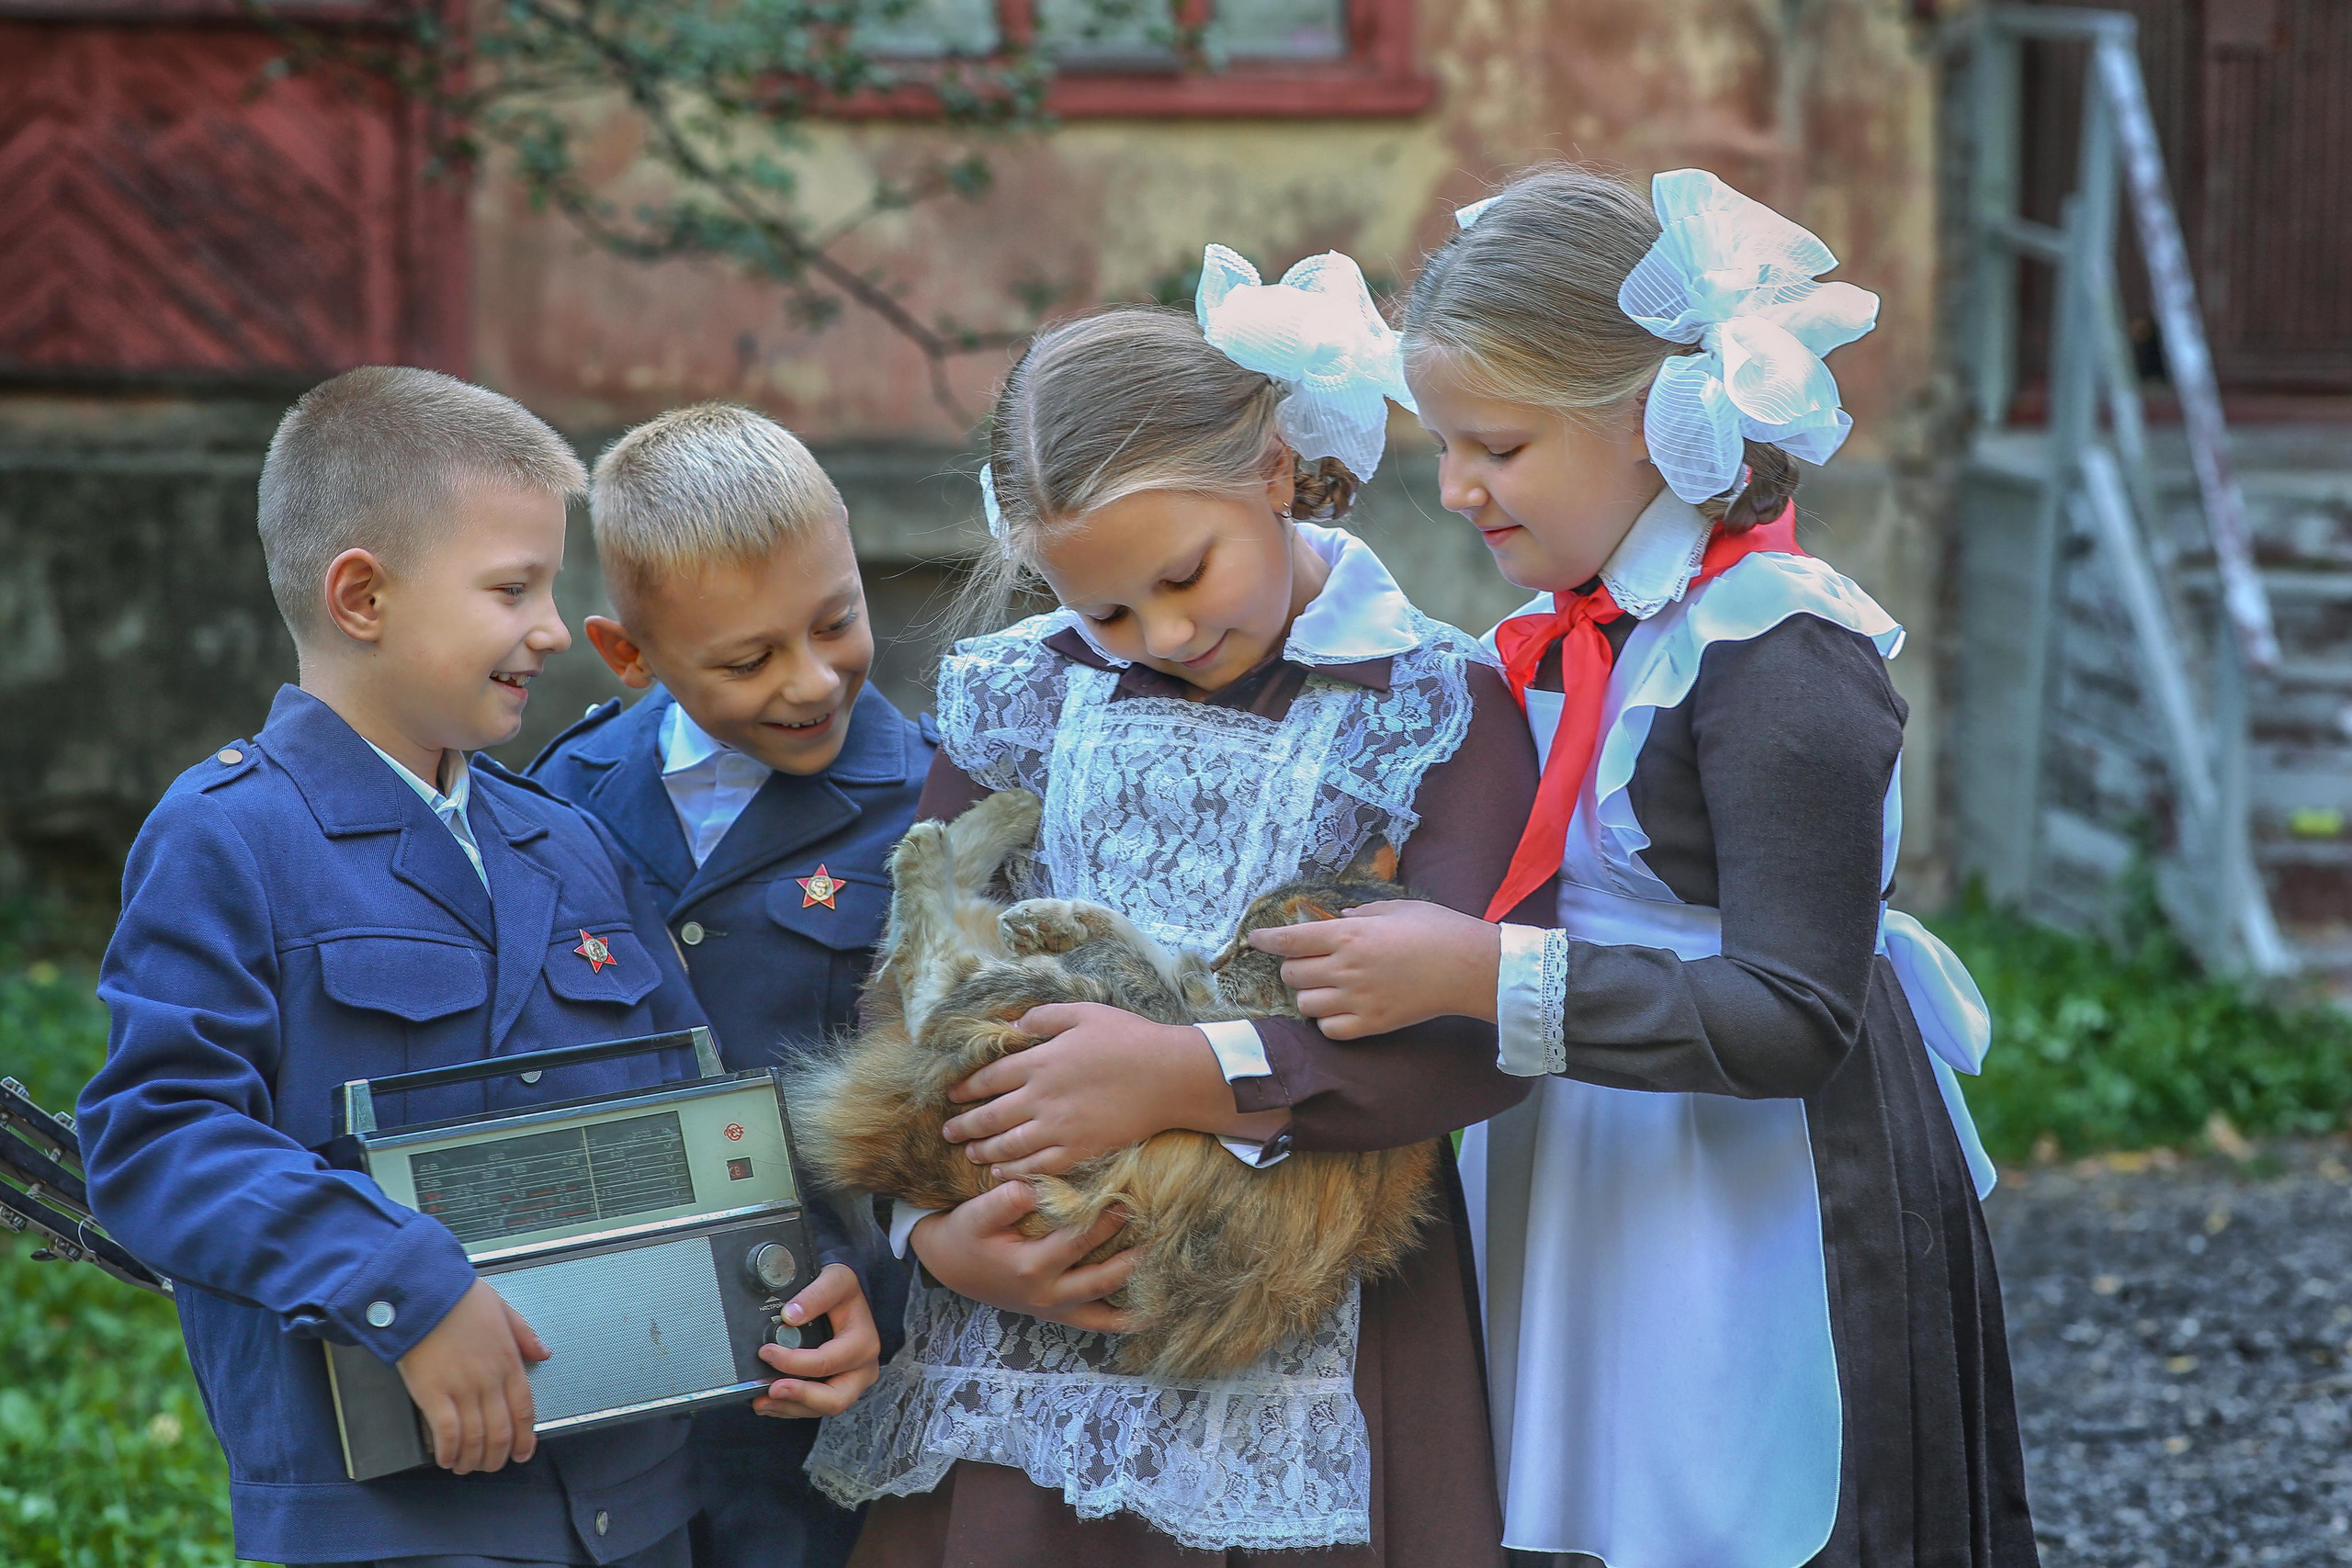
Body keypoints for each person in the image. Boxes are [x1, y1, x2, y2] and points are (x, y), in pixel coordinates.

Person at [1249, 166, 2038, 1567]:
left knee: (1731, 1506)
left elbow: (1796, 1011)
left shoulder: (1777, 658)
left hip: (1751, 1184)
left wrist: (1485, 972)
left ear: (1652, 421)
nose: (1454, 486)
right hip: (1577, 1157)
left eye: (1495, 442)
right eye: (1441, 442)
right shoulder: (1565, 633)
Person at [804, 248, 1546, 1567]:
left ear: (1274, 472)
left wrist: (1185, 1074)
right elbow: (909, 989)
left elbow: (1473, 1035)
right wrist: (935, 1235)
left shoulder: (1436, 706)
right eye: (1101, 603)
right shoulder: (1022, 696)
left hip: (1307, 1307)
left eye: (1186, 575)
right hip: (1032, 1324)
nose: (1155, 632)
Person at [75, 367, 873, 1568]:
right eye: (513, 589)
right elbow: (158, 1139)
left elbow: (697, 1118)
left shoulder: (569, 839)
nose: (554, 628)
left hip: (638, 1502)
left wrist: (820, 1278)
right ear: (361, 595)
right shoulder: (227, 838)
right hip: (391, 1518)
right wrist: (401, 1284)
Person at [530, 402, 922, 1568]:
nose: (810, 680)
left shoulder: (932, 808)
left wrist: (875, 1291)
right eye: (747, 659)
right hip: (614, 1372)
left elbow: (941, 1110)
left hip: (823, 1367)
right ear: (628, 655)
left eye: (837, 621)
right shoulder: (565, 788)